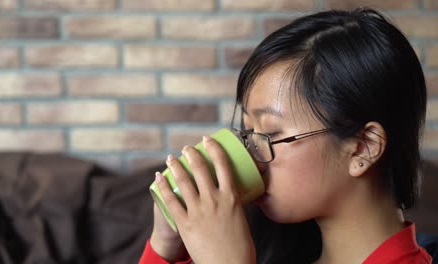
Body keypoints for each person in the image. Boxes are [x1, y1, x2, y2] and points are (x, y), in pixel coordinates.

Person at [138, 7, 432, 264]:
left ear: (362, 148)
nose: (252, 158)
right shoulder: (271, 248)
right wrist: (165, 247)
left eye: (270, 133)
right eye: (249, 132)